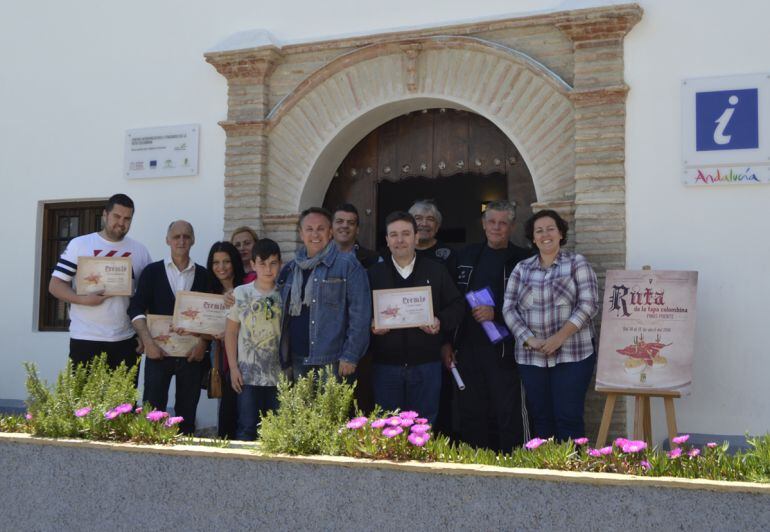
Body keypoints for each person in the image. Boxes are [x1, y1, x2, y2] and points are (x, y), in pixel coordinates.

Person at [502, 209, 599, 441]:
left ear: (561, 233)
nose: (545, 234)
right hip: (532, 357)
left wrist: (560, 337)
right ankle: (547, 471)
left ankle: (573, 473)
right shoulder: (522, 269)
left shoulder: (577, 264)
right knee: (541, 418)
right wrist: (529, 339)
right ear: (533, 238)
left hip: (573, 355)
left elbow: (589, 304)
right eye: (539, 231)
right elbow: (508, 308)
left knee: (569, 417)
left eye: (550, 229)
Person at [450, 200, 532, 452]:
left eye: (503, 223)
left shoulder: (523, 259)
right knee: (472, 412)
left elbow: (532, 306)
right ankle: (476, 463)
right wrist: (447, 343)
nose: (497, 227)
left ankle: (510, 465)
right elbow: (450, 300)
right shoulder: (465, 255)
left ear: (512, 226)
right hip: (467, 349)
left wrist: (496, 314)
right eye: (492, 222)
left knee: (507, 413)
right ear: (484, 225)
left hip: (506, 352)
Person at [368, 212, 464, 423]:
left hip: (426, 365)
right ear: (386, 240)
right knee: (388, 429)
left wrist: (440, 321)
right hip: (386, 367)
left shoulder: (436, 270)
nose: (399, 240)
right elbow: (360, 311)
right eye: (393, 234)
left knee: (423, 429)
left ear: (416, 237)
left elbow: (457, 305)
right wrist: (371, 323)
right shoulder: (373, 274)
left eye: (405, 234)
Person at [49, 193, 152, 372]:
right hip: (85, 338)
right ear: (105, 215)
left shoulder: (140, 251)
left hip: (125, 340)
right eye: (117, 216)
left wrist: (143, 335)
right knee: (83, 400)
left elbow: (147, 297)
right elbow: (55, 285)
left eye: (127, 218)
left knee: (124, 400)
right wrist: (84, 300)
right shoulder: (80, 244)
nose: (121, 223)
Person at [128, 220, 209, 435]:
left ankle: (184, 463)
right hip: (158, 353)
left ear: (193, 240)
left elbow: (212, 319)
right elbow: (135, 309)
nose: (181, 241)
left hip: (191, 356)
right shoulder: (152, 272)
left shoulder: (204, 275)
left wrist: (203, 343)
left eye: (186, 236)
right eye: (176, 236)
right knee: (151, 415)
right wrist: (147, 342)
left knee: (187, 417)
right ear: (167, 240)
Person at [277, 207, 371, 379]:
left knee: (335, 407)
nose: (315, 234)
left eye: (320, 229)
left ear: (330, 233)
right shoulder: (291, 269)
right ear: (301, 234)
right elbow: (275, 304)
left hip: (333, 361)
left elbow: (360, 315)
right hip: (297, 358)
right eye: (309, 229)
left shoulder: (348, 265)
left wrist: (350, 355)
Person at [224, 239, 283, 441]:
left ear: (280, 265)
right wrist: (233, 368)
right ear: (253, 265)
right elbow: (231, 332)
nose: (268, 269)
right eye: (263, 263)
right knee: (247, 427)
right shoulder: (241, 293)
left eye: (273, 263)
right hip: (248, 374)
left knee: (276, 431)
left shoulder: (285, 293)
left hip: (278, 375)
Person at [205, 241, 245, 440]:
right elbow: (202, 327)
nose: (221, 267)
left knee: (246, 411)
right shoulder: (209, 292)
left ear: (235, 262)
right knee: (227, 409)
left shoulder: (248, 286)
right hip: (222, 360)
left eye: (226, 261)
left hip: (246, 357)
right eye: (216, 262)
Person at [408, 200, 456, 274]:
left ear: (437, 226)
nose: (424, 224)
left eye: (430, 219)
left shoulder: (448, 255)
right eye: (418, 218)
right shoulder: (401, 251)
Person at [332, 203, 380, 269]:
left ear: (357, 229)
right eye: (339, 221)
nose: (345, 226)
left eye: (351, 223)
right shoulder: (319, 257)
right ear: (331, 228)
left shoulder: (374, 259)